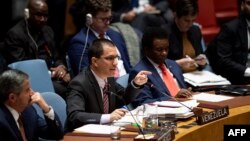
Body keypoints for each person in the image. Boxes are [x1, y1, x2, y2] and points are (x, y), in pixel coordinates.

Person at [66, 39, 151, 131]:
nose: (115, 63)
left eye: (116, 58)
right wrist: (108, 117)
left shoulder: (108, 78)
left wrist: (135, 84)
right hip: (82, 135)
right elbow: (74, 116)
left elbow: (123, 98)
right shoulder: (79, 83)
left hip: (107, 131)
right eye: (110, 58)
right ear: (95, 61)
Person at [3, 0, 70, 99]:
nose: (43, 19)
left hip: (53, 78)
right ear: (27, 13)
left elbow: (57, 56)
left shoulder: (48, 31)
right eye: (38, 15)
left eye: (45, 16)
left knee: (75, 85)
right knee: (66, 91)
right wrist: (52, 74)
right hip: (29, 81)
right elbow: (21, 68)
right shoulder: (15, 34)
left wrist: (61, 68)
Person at [128, 27, 192, 108]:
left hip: (187, 107)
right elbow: (143, 103)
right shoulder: (139, 72)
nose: (164, 53)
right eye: (159, 50)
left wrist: (188, 92)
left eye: (166, 48)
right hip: (164, 116)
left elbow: (183, 89)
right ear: (147, 50)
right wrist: (173, 99)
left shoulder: (173, 64)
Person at [68, 0, 132, 76]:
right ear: (90, 19)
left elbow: (128, 66)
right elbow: (86, 77)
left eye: (109, 18)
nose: (108, 22)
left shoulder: (115, 35)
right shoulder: (80, 43)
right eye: (103, 19)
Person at [0, 69, 63, 141]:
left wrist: (46, 108)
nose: (32, 93)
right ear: (12, 98)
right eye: (27, 90)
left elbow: (57, 135)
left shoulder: (28, 111)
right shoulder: (2, 122)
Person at [205, 0, 250, 84]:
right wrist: (248, 71)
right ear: (242, 5)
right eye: (249, 3)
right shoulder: (230, 28)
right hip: (235, 79)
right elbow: (224, 60)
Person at [163, 0, 207, 73]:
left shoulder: (195, 30)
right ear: (176, 15)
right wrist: (177, 64)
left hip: (197, 75)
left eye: (193, 20)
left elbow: (201, 56)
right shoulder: (163, 33)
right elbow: (157, 64)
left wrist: (203, 61)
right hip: (175, 76)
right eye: (186, 20)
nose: (190, 24)